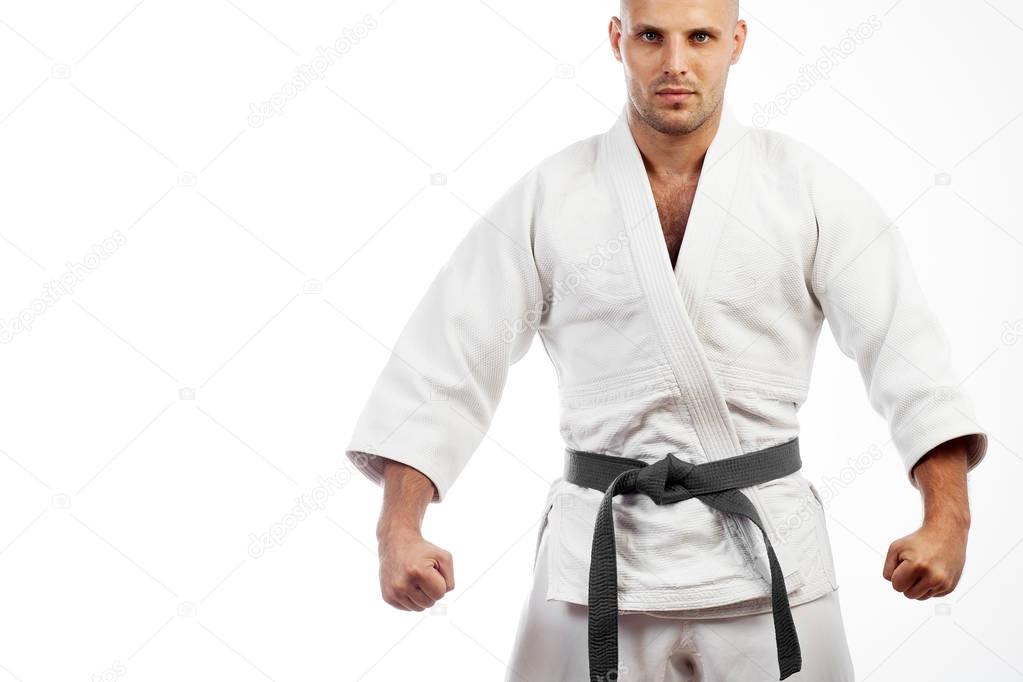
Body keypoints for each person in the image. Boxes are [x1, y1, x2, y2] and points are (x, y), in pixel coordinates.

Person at [345, 0, 988, 679]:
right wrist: (399, 527)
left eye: (700, 37)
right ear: (617, 39)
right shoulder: (551, 196)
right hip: (596, 568)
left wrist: (948, 519)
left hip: (770, 560)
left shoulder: (807, 190)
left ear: (735, 42)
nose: (675, 63)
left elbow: (907, 355)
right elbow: (445, 361)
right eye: (651, 36)